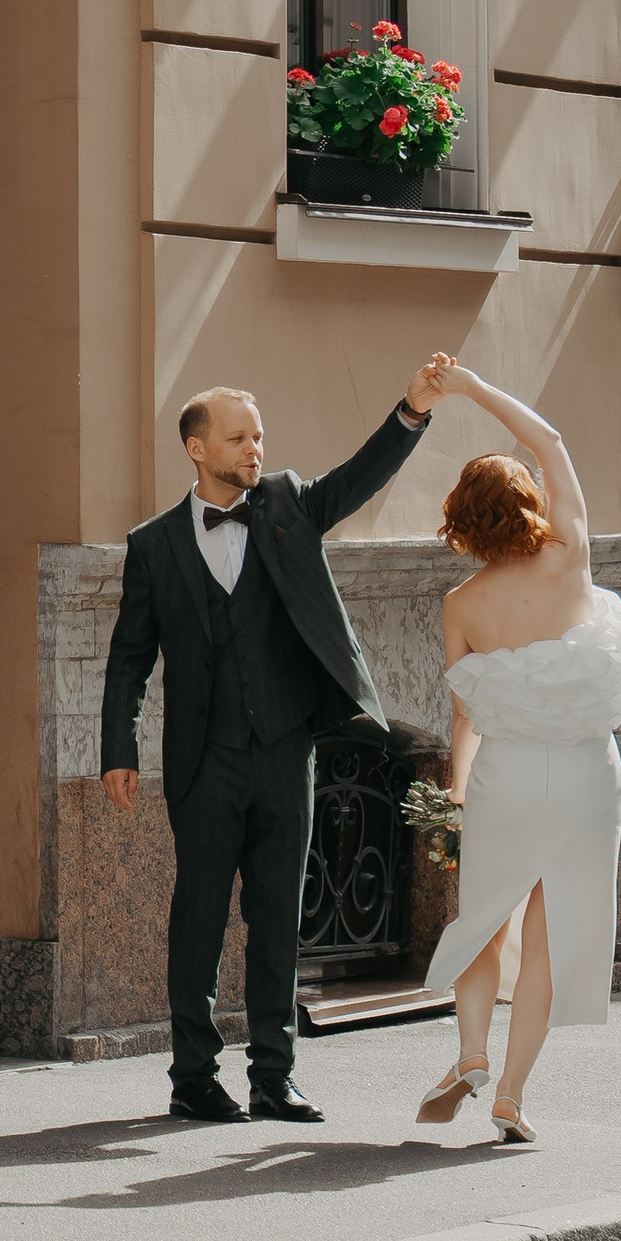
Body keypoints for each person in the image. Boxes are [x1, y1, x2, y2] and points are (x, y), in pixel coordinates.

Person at [100, 356, 455, 1127]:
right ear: (197, 448)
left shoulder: (290, 503)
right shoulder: (153, 544)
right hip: (202, 758)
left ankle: (274, 1076)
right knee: (198, 918)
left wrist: (411, 412)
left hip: (285, 749)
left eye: (258, 436)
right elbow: (130, 655)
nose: (254, 448)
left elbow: (358, 479)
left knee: (276, 919)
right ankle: (193, 1077)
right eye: (238, 438)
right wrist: (118, 749)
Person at [415, 367, 621, 1145]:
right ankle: (511, 1094)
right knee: (549, 936)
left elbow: (464, 710)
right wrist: (471, 386)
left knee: (483, 920)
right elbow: (548, 438)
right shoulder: (570, 555)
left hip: (505, 773)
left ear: (463, 521)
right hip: (583, 771)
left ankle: (472, 1053)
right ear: (530, 504)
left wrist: (457, 790)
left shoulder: (461, 604)